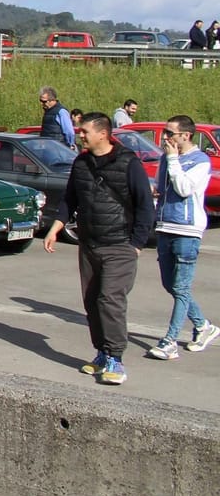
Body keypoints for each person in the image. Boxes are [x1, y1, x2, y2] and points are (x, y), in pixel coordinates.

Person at [43, 112, 155, 386]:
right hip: (89, 244)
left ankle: (116, 357)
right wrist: (56, 226)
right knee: (92, 300)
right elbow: (71, 199)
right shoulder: (81, 163)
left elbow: (145, 207)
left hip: (120, 245)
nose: (80, 135)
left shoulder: (129, 164)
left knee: (110, 299)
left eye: (84, 132)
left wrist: (136, 246)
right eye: (80, 132)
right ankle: (102, 352)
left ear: (103, 134)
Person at [147, 115, 220, 360]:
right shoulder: (166, 159)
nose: (165, 138)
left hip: (187, 230)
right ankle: (203, 326)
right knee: (171, 285)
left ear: (185, 136)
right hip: (165, 226)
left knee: (181, 287)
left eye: (170, 133)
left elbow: (184, 188)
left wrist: (172, 159)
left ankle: (169, 341)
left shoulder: (200, 161)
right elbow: (162, 189)